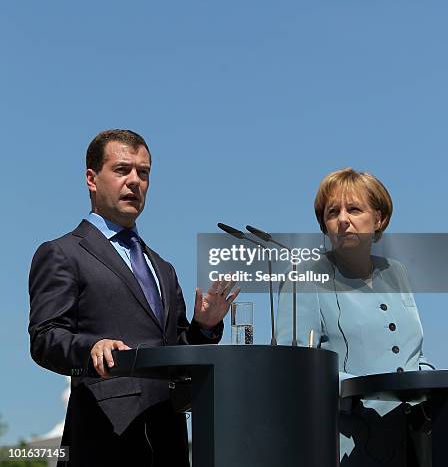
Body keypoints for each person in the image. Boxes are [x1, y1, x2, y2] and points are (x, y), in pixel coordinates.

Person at [29, 129, 239, 467]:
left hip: (167, 440)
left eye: (143, 172)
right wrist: (91, 348)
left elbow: (173, 351)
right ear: (91, 179)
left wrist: (204, 327)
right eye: (122, 169)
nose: (135, 181)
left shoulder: (163, 268)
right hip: (104, 439)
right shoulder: (63, 253)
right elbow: (45, 338)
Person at [277, 168, 432, 466]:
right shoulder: (302, 279)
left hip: (413, 439)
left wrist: (426, 377)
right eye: (333, 211)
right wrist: (367, 386)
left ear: (379, 218)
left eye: (354, 209)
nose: (343, 219)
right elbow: (295, 367)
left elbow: (413, 351)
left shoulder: (396, 272)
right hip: (345, 445)